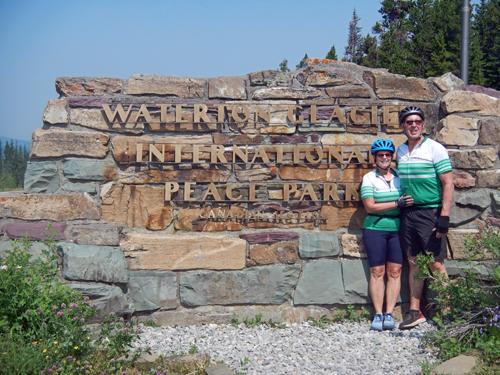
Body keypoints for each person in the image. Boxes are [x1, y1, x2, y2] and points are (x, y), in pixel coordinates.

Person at [396, 106, 454, 330]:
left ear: (422, 125)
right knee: (414, 262)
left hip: (430, 212)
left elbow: (448, 183)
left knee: (436, 264)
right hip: (408, 213)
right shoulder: (400, 151)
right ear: (402, 125)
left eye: (417, 121)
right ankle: (414, 311)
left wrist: (444, 217)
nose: (413, 125)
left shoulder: (435, 149)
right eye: (408, 121)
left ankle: (447, 312)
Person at [361, 139, 413, 331]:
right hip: (375, 228)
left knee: (395, 271)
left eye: (388, 155)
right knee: (377, 272)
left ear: (392, 157)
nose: (384, 158)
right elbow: (370, 206)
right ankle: (377, 314)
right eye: (380, 155)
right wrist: (396, 204)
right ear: (375, 157)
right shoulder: (369, 178)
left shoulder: (400, 176)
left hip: (398, 229)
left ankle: (389, 313)